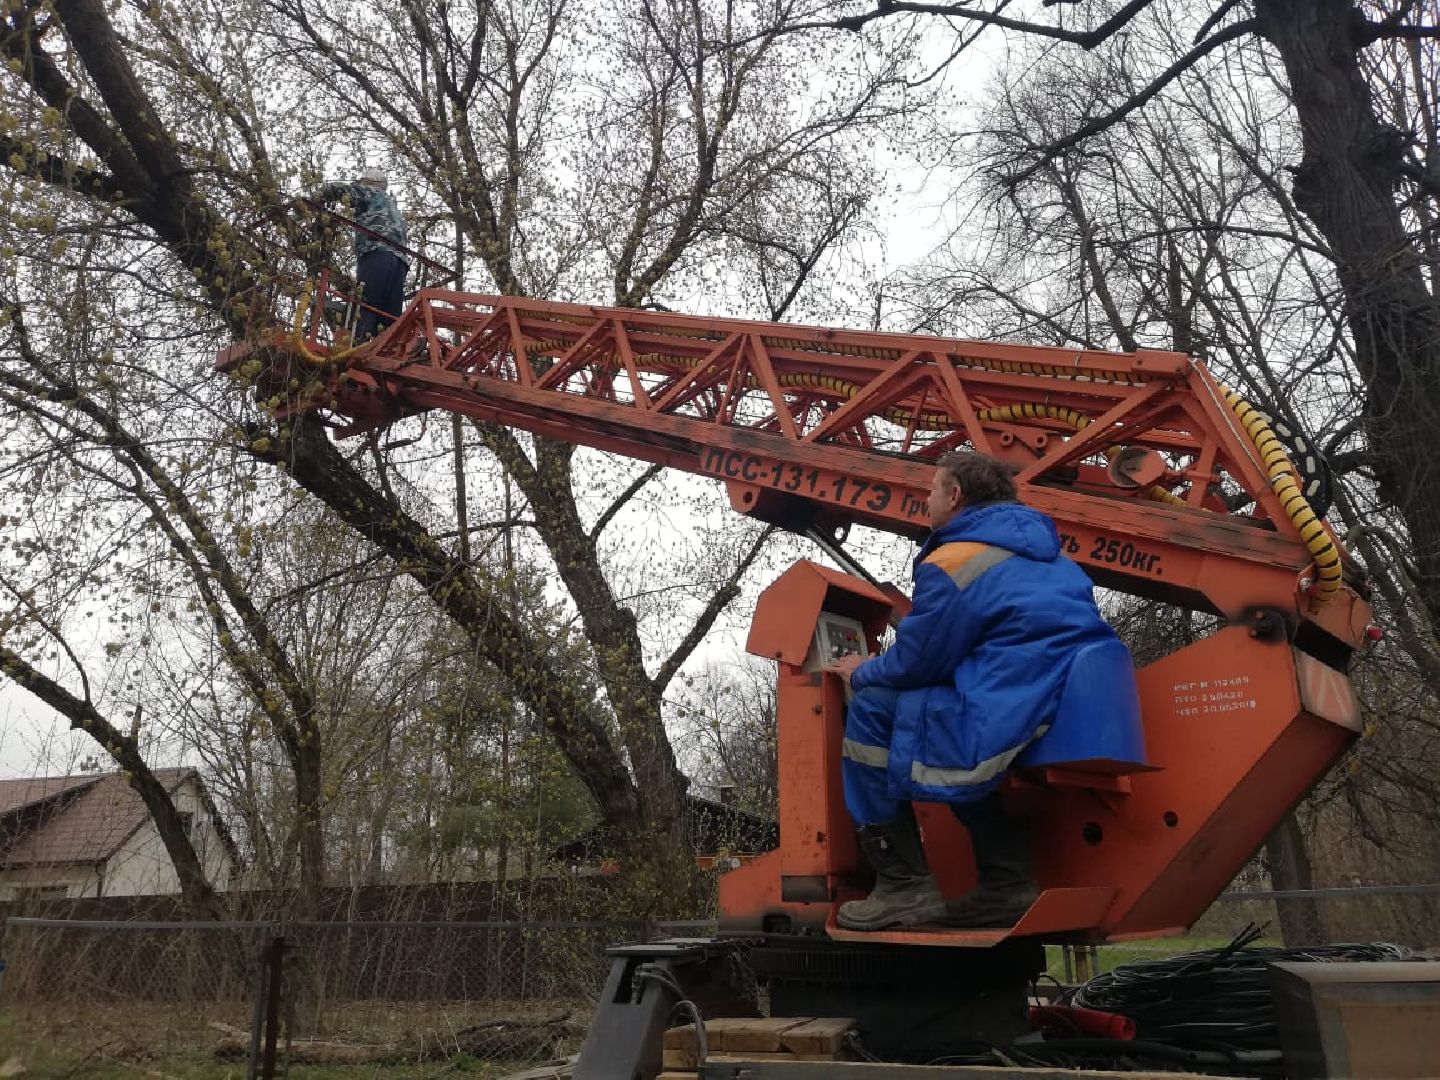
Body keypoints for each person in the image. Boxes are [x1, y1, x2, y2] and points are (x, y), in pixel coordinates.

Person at [825, 451, 1126, 931]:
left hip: (1012, 699)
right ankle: (1006, 884)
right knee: (939, 724)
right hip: (1065, 695)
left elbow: (918, 662)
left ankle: (902, 885)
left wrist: (860, 671)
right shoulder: (1050, 555)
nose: (926, 500)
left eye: (931, 489)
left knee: (878, 711)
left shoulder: (955, 560)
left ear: (955, 495)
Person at [317, 167, 409, 342]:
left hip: (376, 255)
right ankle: (384, 350)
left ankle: (355, 345)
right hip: (400, 263)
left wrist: (318, 196)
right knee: (388, 317)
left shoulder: (369, 192)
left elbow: (338, 190)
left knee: (365, 306)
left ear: (368, 182)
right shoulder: (392, 206)